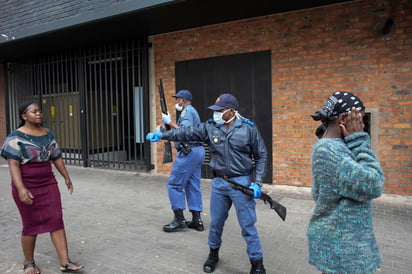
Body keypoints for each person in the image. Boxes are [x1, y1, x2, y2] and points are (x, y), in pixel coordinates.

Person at [147, 93, 267, 274]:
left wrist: (257, 182)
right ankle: (213, 255)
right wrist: (164, 135)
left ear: (232, 111)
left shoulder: (248, 129)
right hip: (219, 183)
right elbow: (186, 132)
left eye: (220, 111)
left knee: (248, 225)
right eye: (215, 110)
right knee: (216, 223)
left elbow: (261, 155)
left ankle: (257, 264)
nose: (216, 114)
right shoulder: (210, 128)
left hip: (241, 183)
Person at [0, 102, 84, 274]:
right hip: (27, 184)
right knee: (31, 224)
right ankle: (29, 262)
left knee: (56, 220)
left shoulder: (47, 133)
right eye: (34, 111)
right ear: (24, 116)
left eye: (40, 111)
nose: (39, 114)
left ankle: (65, 262)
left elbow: (57, 157)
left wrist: (66, 177)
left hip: (48, 182)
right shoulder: (15, 137)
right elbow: (13, 165)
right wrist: (21, 189)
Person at [307, 91, 385, 274]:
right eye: (359, 118)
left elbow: (317, 192)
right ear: (343, 118)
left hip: (342, 245)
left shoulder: (330, 146)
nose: (362, 125)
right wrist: (359, 139)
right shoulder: (331, 151)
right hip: (344, 252)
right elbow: (374, 184)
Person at [159, 89, 206, 232]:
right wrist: (167, 128)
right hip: (197, 151)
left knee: (174, 184)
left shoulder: (187, 112)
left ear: (184, 100)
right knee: (192, 184)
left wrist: (170, 122)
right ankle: (197, 220)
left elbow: (184, 132)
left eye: (178, 99)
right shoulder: (192, 111)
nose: (176, 102)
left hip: (188, 152)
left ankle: (179, 219)